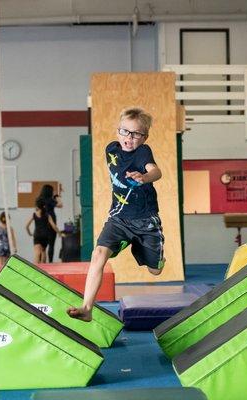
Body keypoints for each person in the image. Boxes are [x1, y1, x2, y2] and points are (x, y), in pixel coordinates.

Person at [68, 107, 165, 322]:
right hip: (118, 218)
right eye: (124, 131)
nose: (129, 138)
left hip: (146, 221)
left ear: (144, 137)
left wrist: (144, 177)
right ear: (117, 130)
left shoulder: (143, 152)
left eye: (136, 134)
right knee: (98, 254)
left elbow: (156, 171)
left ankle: (138, 246)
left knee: (155, 271)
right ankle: (86, 308)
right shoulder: (111, 150)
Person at [26, 198, 61, 263]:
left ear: (37, 206)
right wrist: (59, 233)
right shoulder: (47, 215)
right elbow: (53, 226)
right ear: (44, 206)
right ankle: (43, 267)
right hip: (45, 235)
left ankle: (35, 268)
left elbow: (27, 226)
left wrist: (29, 233)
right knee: (43, 251)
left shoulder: (34, 215)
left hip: (37, 234)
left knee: (37, 252)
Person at [36, 184, 63, 262]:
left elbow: (37, 211)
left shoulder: (39, 200)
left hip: (41, 224)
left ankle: (41, 263)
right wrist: (56, 196)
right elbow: (60, 204)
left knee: (42, 247)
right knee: (51, 244)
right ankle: (50, 262)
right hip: (51, 222)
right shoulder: (50, 200)